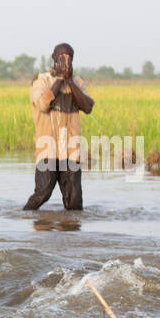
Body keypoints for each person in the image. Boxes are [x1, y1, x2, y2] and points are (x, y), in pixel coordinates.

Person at [25, 43, 94, 210]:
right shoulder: (41, 80)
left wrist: (69, 80)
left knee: (74, 202)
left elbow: (87, 107)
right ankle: (26, 215)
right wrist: (60, 79)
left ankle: (70, 233)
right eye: (62, 57)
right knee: (43, 193)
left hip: (71, 152)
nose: (66, 61)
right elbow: (43, 104)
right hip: (48, 149)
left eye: (69, 57)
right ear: (54, 59)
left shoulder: (77, 82)